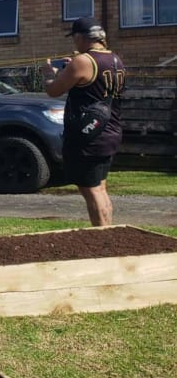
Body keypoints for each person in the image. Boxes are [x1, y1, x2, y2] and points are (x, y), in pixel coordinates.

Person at [39, 17, 126, 226]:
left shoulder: (83, 61)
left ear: (80, 37)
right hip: (110, 129)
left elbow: (53, 90)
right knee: (100, 187)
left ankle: (101, 237)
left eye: (74, 38)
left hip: (89, 134)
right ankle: (107, 232)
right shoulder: (115, 59)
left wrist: (48, 74)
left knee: (91, 190)